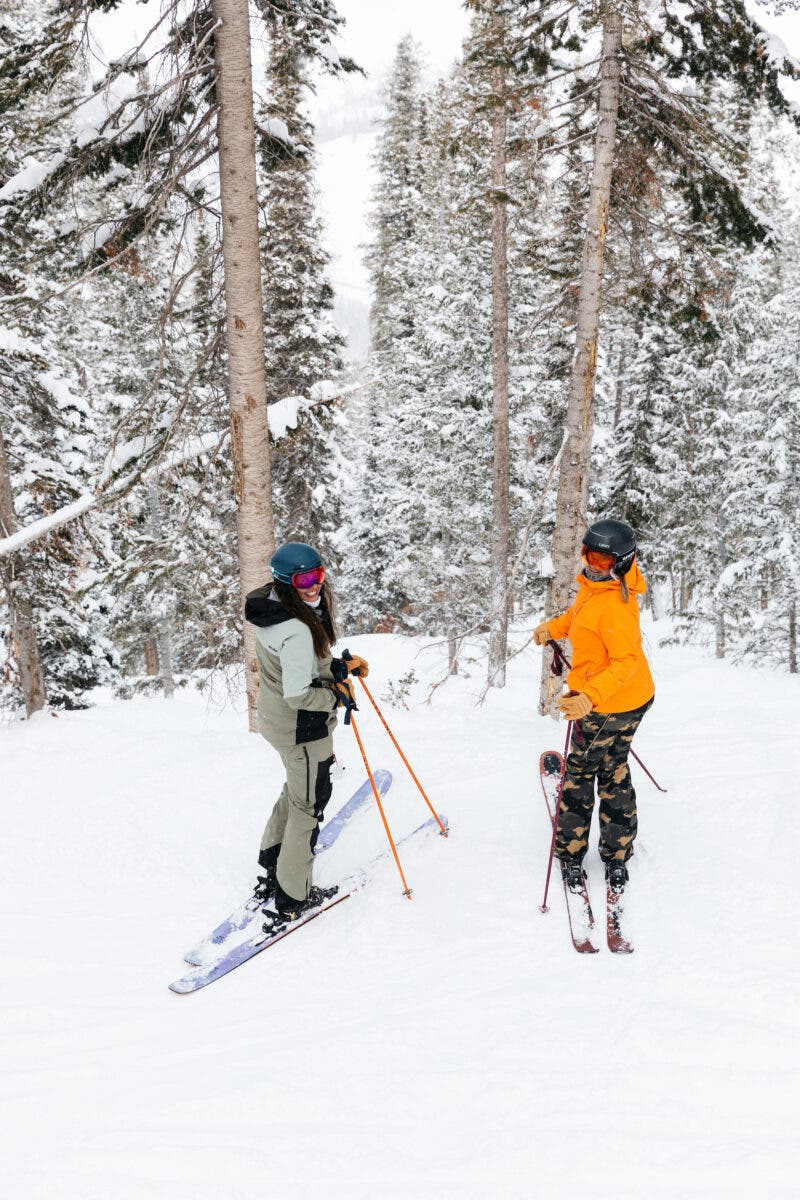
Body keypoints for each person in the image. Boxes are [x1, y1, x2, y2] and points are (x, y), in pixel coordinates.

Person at [244, 542, 369, 926]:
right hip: (301, 728)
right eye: (303, 580)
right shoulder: (297, 629)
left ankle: (274, 862)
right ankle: (293, 896)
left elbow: (296, 666)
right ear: (286, 582)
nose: (314, 585)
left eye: (318, 575)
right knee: (309, 803)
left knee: (296, 791)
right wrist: (334, 696)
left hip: (278, 722)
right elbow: (299, 693)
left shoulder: (273, 608)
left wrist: (338, 669)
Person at [534, 519, 655, 891]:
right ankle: (618, 853)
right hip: (630, 698)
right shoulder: (597, 588)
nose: (593, 564)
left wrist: (589, 697)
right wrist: (554, 628)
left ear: (621, 562)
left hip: (608, 704)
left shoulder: (616, 604)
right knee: (614, 766)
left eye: (603, 560)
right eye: (588, 554)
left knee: (582, 773)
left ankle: (571, 853)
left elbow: (624, 661)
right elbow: (579, 617)